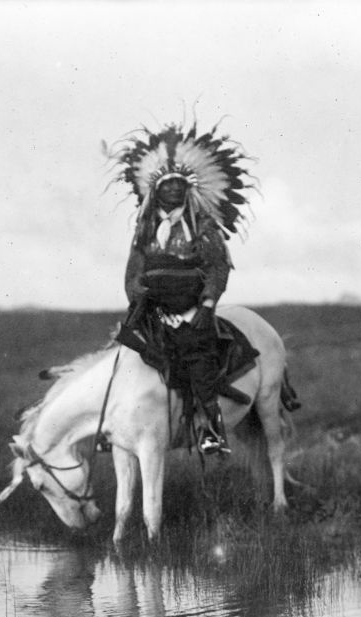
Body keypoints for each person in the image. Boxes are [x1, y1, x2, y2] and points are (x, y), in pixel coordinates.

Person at [114, 122, 251, 455]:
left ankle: (211, 430)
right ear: (156, 190)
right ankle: (117, 428)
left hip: (191, 311)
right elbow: (133, 270)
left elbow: (218, 267)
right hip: (153, 311)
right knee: (122, 357)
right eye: (167, 185)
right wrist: (137, 296)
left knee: (199, 363)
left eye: (179, 184)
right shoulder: (145, 227)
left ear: (187, 189)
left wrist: (206, 306)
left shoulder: (201, 225)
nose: (174, 190)